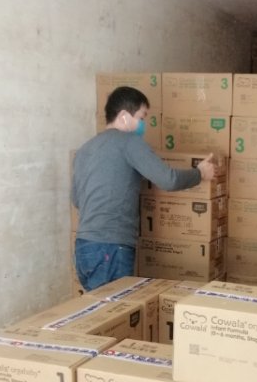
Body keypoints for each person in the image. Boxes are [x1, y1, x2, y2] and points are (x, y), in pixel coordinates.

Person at [72, 85, 217, 290]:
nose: (143, 124)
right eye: (141, 117)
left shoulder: (85, 149)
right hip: (111, 248)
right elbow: (168, 180)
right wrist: (200, 173)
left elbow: (77, 199)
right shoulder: (129, 142)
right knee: (116, 307)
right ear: (124, 116)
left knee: (98, 307)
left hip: (84, 247)